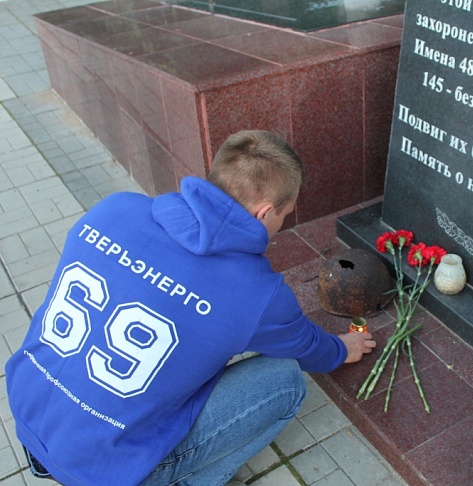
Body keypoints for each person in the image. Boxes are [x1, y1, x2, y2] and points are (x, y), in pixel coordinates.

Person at [5, 130, 376, 485]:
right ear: (264, 213)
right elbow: (308, 349)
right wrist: (342, 348)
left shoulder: (114, 209)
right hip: (109, 470)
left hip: (27, 410)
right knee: (285, 381)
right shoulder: (257, 293)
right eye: (284, 214)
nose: (281, 223)